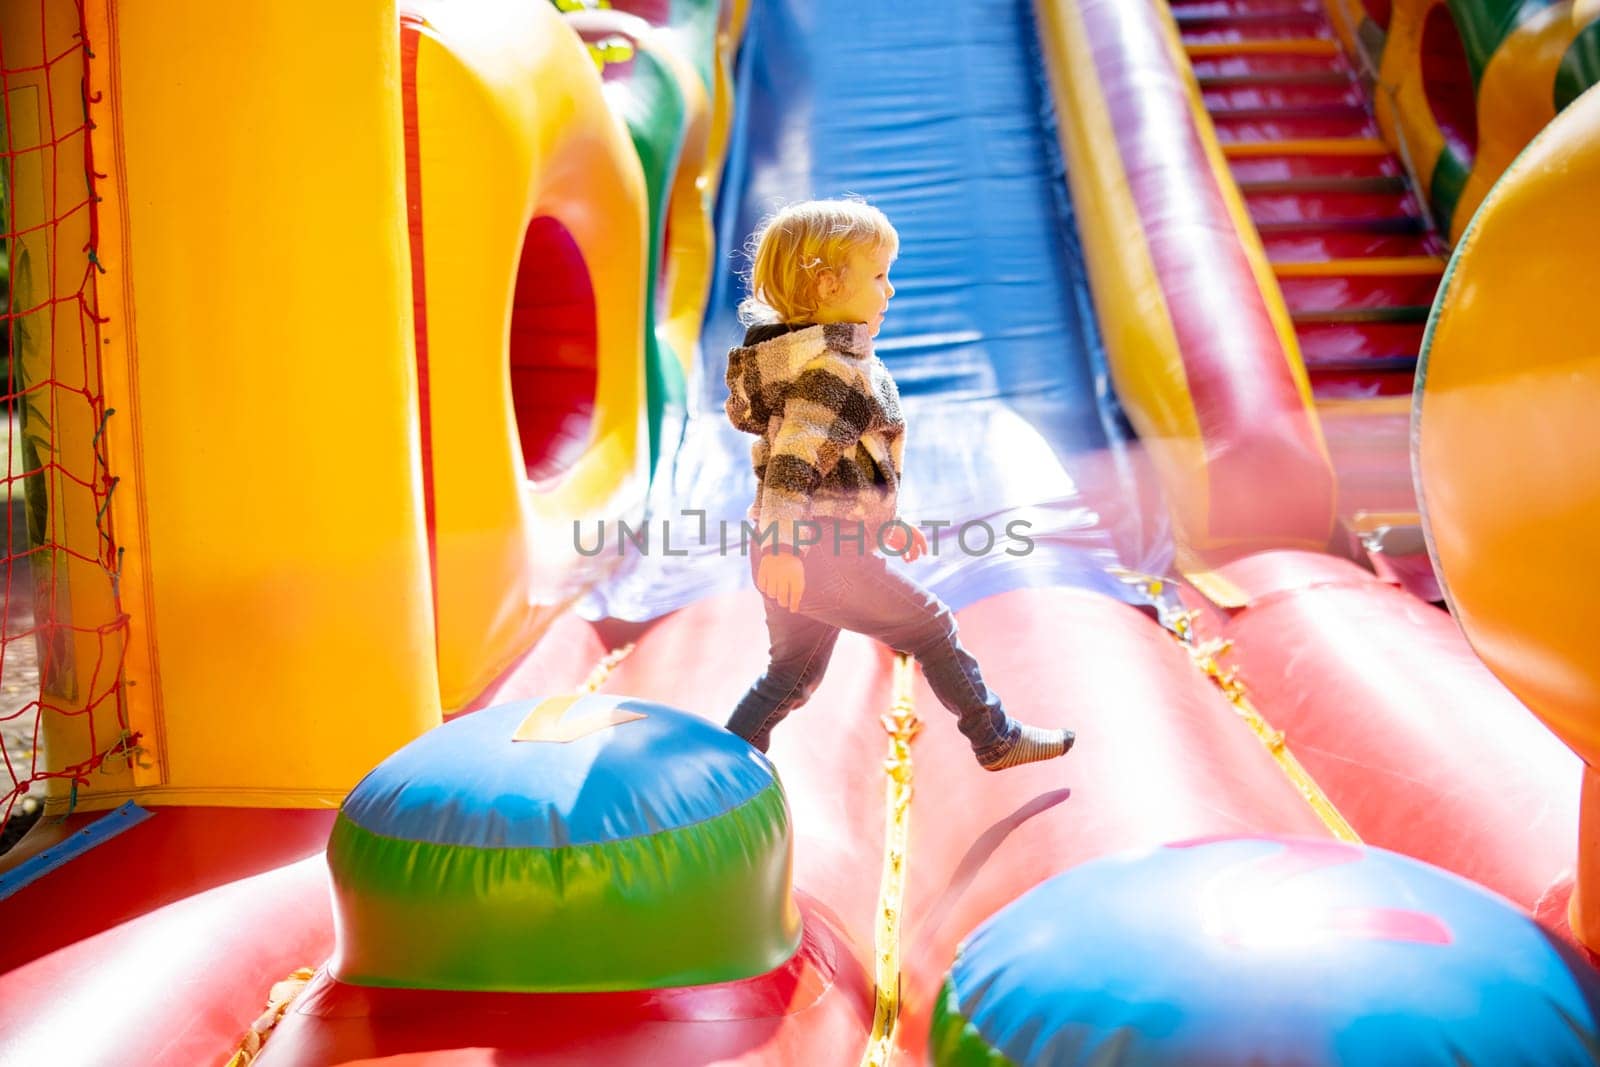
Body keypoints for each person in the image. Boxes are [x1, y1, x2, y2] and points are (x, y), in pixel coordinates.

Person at [722, 198, 1074, 771]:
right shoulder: (830, 370)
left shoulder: (803, 358)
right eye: (880, 276)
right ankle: (995, 737)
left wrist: (883, 521)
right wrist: (787, 549)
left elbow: (843, 461)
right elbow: (793, 464)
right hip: (814, 553)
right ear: (829, 286)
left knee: (790, 677)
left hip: (795, 546)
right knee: (932, 627)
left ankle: (723, 764)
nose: (890, 291)